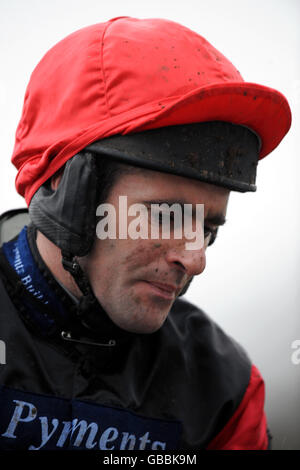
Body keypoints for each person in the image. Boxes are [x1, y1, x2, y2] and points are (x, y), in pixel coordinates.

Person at [0, 17, 291, 451]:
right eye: (167, 217)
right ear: (66, 192)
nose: (195, 260)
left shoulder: (224, 387)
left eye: (208, 229)